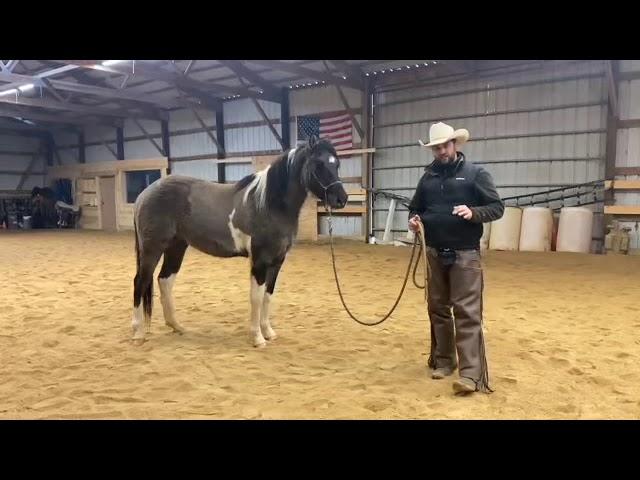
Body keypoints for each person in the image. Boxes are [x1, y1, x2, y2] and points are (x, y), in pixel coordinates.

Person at [408, 122, 504, 394]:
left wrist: (474, 213)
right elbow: (416, 208)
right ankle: (444, 361)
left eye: (445, 145)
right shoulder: (426, 179)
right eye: (436, 147)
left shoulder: (476, 175)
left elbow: (497, 207)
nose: (441, 151)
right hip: (434, 253)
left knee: (467, 313)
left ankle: (471, 374)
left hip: (465, 254)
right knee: (437, 309)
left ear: (455, 144)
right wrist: (414, 221)